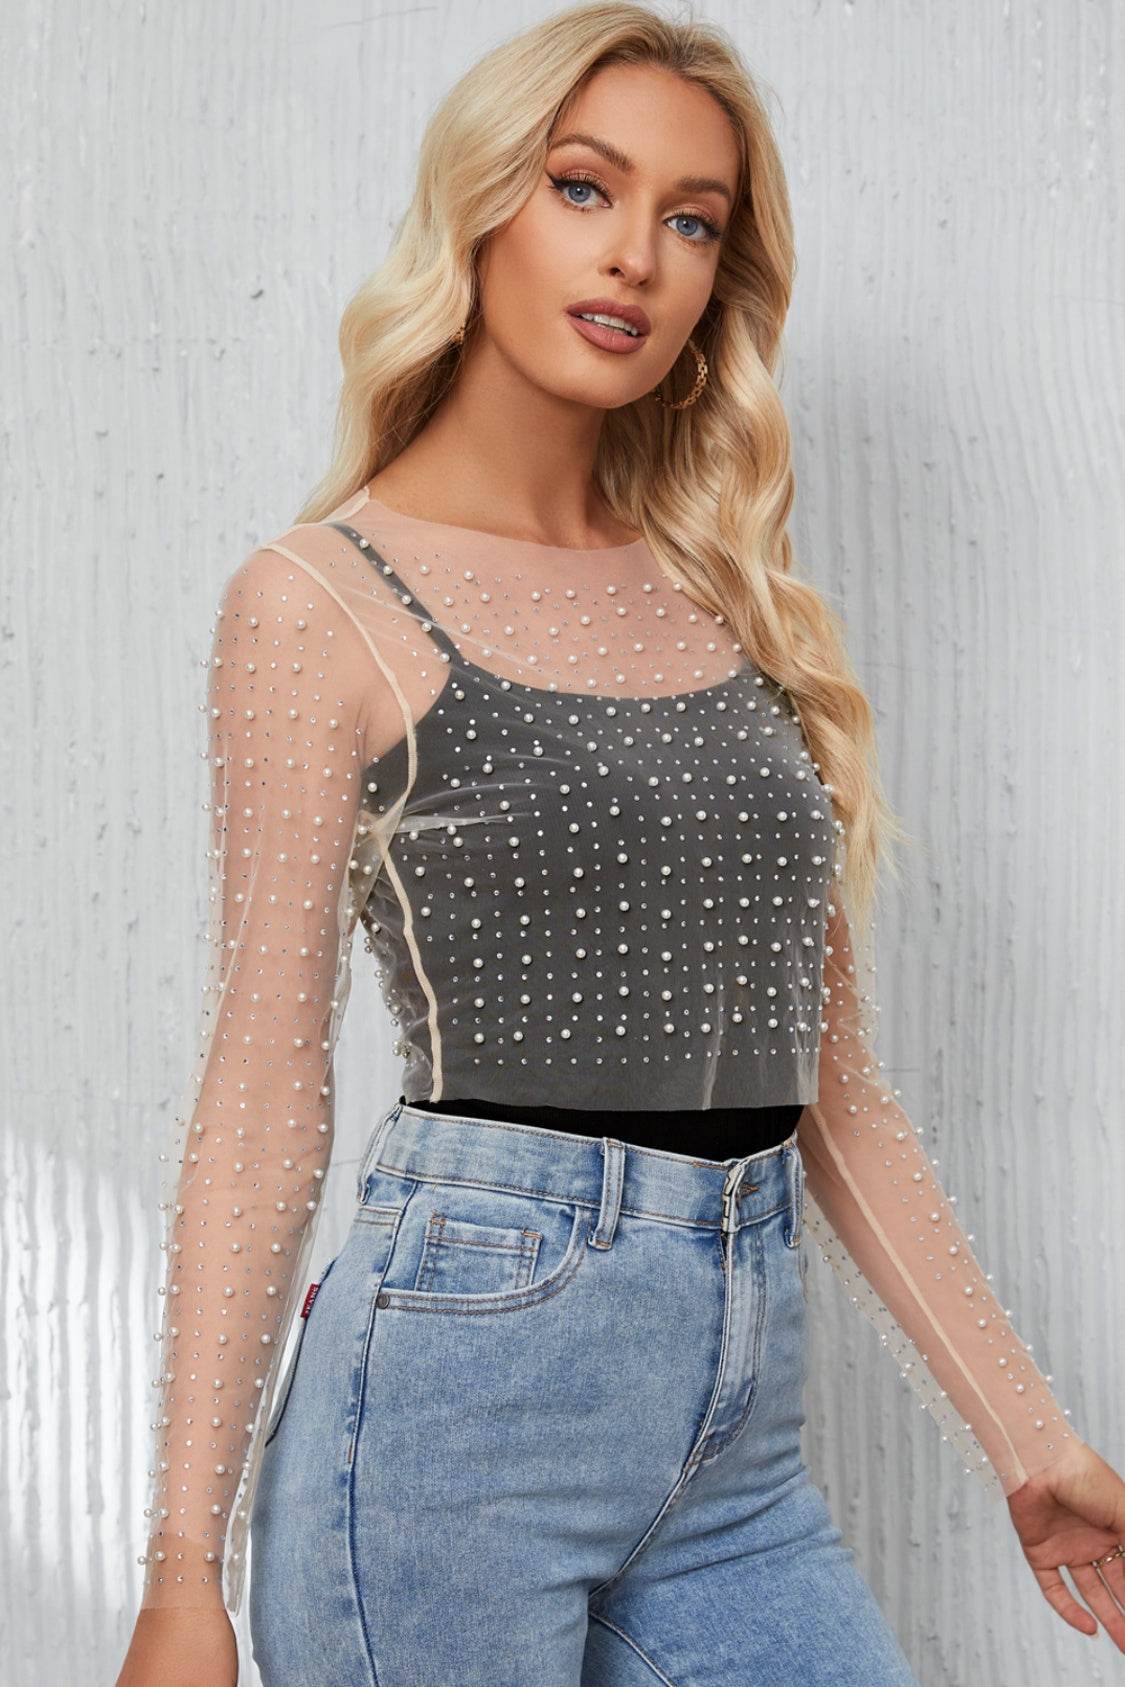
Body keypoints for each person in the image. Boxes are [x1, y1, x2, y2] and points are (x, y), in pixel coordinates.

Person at [117, 5, 1124, 1683]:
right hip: (448, 1425)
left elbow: (832, 1086)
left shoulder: (730, 600)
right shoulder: (317, 602)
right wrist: (179, 1574)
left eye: (691, 220)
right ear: (480, 207)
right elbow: (259, 1091)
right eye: (583, 188)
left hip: (735, 1441)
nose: (637, 257)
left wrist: (1032, 1440)